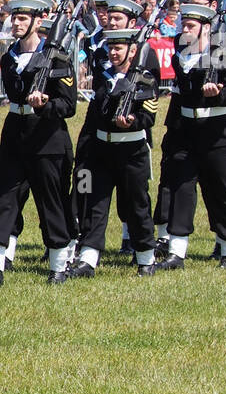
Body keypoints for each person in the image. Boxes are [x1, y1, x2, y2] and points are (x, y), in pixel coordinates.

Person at [0, 0, 78, 285]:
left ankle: (59, 262)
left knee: (50, 200)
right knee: (5, 195)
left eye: (23, 18)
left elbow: (68, 106)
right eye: (14, 17)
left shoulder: (57, 56)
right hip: (15, 130)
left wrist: (45, 104)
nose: (16, 23)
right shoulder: (8, 55)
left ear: (39, 21)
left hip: (46, 135)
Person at [66, 29, 160, 278]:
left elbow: (149, 116)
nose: (113, 52)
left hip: (131, 149)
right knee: (95, 204)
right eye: (111, 48)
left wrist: (133, 120)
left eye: (119, 48)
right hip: (102, 149)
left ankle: (145, 258)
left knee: (136, 204)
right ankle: (88, 258)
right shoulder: (103, 76)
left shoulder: (145, 79)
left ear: (133, 51)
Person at [156, 4, 226, 270]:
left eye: (191, 26)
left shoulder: (223, 53)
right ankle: (177, 252)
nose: (185, 30)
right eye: (184, 25)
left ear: (206, 28)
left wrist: (217, 93)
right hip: (187, 131)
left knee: (218, 190)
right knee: (182, 188)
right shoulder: (180, 55)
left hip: (217, 131)